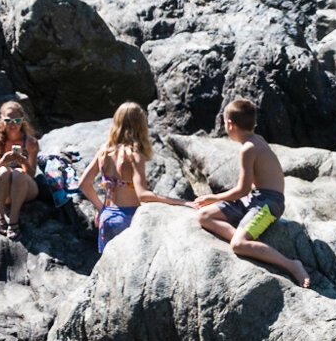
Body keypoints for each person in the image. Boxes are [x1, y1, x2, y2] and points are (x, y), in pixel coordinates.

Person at [195, 97, 312, 287]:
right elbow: (246, 191)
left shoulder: (249, 148)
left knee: (238, 246)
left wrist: (214, 197)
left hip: (269, 203)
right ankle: (249, 238)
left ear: (230, 125)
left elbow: (241, 189)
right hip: (255, 198)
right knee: (204, 215)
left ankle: (291, 264)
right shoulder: (256, 139)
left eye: (224, 122)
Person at [80, 101, 189, 253]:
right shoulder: (135, 155)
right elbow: (143, 195)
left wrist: (101, 208)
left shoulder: (104, 151)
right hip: (128, 218)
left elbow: (84, 184)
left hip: (108, 218)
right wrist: (181, 202)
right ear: (140, 125)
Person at [0, 101, 40, 237]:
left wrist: (24, 163)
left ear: (22, 120)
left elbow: (31, 174)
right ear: (2, 120)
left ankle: (13, 219)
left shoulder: (31, 142)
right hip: (5, 191)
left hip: (26, 189)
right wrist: (3, 161)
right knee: (3, 171)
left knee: (18, 173)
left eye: (17, 120)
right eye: (8, 120)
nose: (13, 125)